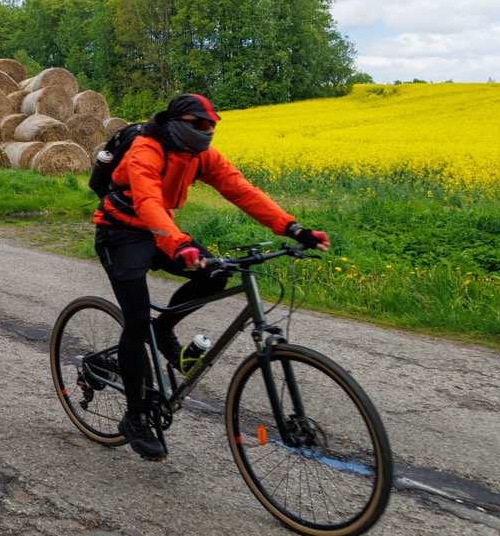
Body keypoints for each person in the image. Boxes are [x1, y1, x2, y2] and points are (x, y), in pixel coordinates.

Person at [92, 93, 329, 460]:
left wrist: (293, 228)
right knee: (136, 321)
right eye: (199, 125)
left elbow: (241, 190)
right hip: (120, 233)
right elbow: (148, 202)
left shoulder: (199, 155)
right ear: (175, 123)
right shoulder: (146, 150)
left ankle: (164, 329)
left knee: (215, 276)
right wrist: (179, 245)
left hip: (162, 230)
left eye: (211, 125)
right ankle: (135, 416)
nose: (207, 131)